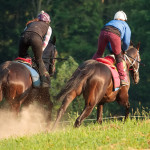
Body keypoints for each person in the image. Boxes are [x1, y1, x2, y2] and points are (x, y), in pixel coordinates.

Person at [92, 10, 131, 86]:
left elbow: (109, 40)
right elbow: (126, 42)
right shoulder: (125, 24)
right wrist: (124, 50)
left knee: (99, 52)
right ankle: (122, 78)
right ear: (124, 19)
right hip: (114, 34)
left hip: (103, 31)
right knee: (118, 56)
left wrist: (111, 49)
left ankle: (89, 67)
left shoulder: (110, 22)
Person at [18, 10, 52, 88]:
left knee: (21, 57)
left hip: (23, 38)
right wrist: (39, 53)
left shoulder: (30, 23)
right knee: (39, 60)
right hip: (35, 39)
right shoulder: (48, 27)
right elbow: (45, 43)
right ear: (47, 21)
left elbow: (25, 32)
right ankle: (44, 82)